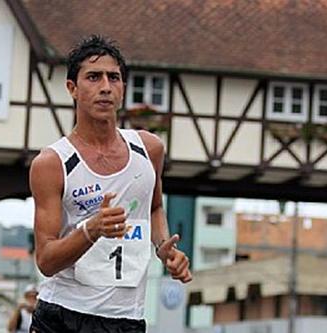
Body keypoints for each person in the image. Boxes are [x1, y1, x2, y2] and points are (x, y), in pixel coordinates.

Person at [29, 35, 192, 332]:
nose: (105, 86)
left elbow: (153, 208)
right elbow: (46, 260)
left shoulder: (149, 148)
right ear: (72, 88)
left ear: (123, 88)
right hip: (64, 315)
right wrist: (92, 229)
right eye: (93, 77)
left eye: (113, 78)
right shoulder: (52, 163)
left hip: (126, 319)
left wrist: (163, 247)